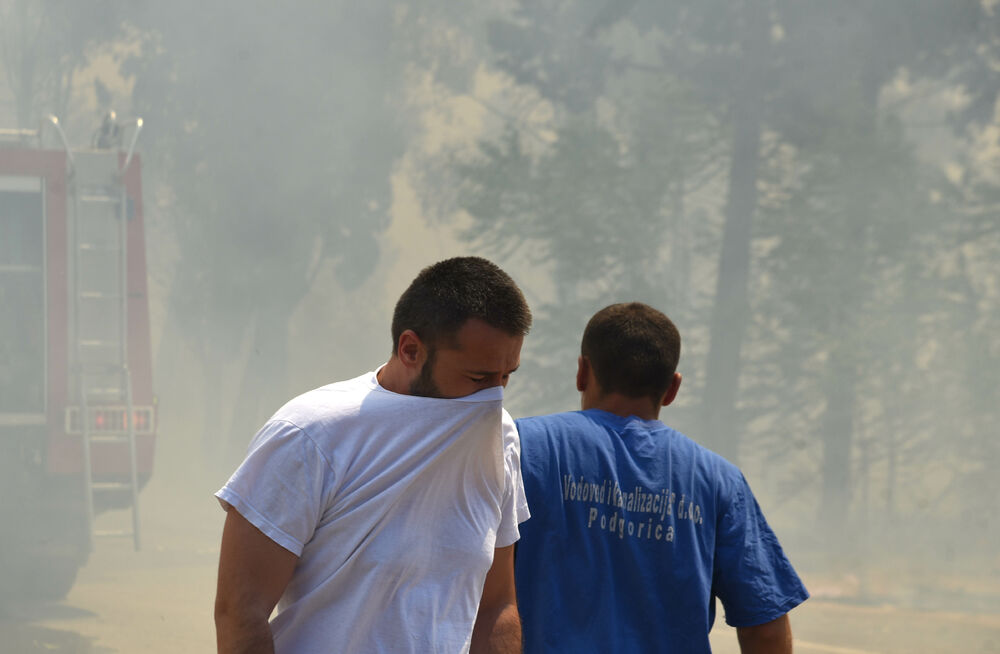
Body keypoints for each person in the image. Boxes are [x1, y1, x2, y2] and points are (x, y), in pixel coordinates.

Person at [214, 256, 532, 654]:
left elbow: (496, 604)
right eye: (478, 378)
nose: (494, 397)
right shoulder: (310, 435)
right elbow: (240, 611)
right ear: (411, 349)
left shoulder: (500, 439)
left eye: (506, 377)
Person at [514, 302, 808, 653]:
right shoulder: (719, 480)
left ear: (582, 371)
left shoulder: (520, 448)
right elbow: (765, 627)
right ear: (672, 388)